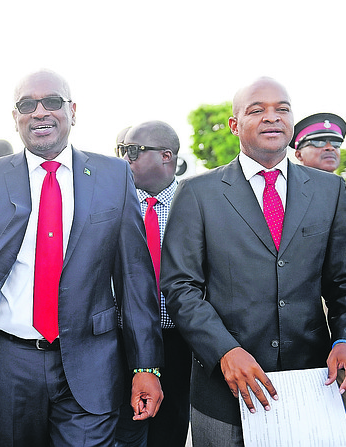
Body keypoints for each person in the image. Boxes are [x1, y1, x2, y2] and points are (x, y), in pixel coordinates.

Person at [0, 69, 164, 447]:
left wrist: (146, 365)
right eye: (28, 105)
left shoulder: (114, 175)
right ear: (15, 117)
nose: (40, 112)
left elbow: (135, 281)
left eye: (53, 102)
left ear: (73, 110)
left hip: (92, 364)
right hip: (8, 365)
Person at [160, 77, 346, 446]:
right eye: (257, 110)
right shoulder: (197, 194)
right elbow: (180, 288)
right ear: (234, 124)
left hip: (312, 386)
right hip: (224, 396)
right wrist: (224, 350)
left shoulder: (328, 190)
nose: (272, 117)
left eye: (282, 109)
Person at [291, 112, 346, 447]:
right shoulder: (278, 197)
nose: (330, 147)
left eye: (336, 143)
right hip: (302, 330)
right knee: (305, 424)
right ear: (297, 152)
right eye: (317, 142)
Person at [114, 121, 191, 447]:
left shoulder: (196, 202)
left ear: (166, 156)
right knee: (124, 430)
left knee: (169, 430)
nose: (124, 159)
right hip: (123, 339)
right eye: (121, 151)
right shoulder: (115, 203)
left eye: (132, 152)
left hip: (181, 340)